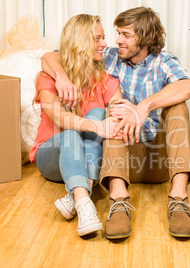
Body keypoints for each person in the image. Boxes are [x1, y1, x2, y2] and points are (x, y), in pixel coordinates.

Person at [41, 7, 190, 239]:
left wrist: (144, 107)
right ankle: (118, 201)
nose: (117, 40)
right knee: (113, 112)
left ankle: (179, 199)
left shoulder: (164, 62)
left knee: (178, 107)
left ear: (145, 37)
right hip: (123, 160)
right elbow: (54, 56)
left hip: (159, 161)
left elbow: (189, 85)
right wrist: (61, 77)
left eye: (125, 35)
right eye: (117, 34)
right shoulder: (111, 56)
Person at [29, 14, 123, 237]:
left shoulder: (104, 79)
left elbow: (116, 115)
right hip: (51, 154)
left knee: (100, 112)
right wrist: (95, 126)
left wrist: (124, 114)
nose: (104, 44)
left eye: (103, 38)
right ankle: (85, 200)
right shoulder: (49, 77)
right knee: (73, 130)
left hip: (87, 158)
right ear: (81, 42)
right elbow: (59, 118)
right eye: (97, 38)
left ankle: (79, 199)